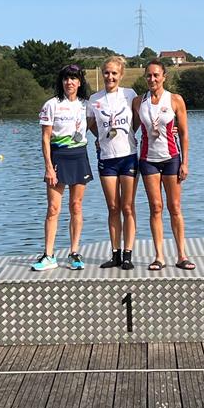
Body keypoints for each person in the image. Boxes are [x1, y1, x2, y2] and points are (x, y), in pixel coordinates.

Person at [133, 59, 194, 271]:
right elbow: (129, 129)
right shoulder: (138, 102)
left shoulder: (175, 100)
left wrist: (185, 162)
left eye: (156, 75)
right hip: (148, 160)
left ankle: (181, 255)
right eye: (148, 75)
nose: (152, 79)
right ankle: (159, 256)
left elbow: (184, 133)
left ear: (164, 77)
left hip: (172, 158)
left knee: (174, 207)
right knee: (155, 208)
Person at [33, 64, 93, 271]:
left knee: (76, 206)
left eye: (74, 78)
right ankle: (48, 255)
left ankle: (74, 253)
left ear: (79, 82)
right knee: (53, 209)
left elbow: (98, 127)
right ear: (62, 82)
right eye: (66, 78)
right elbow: (45, 137)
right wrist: (48, 167)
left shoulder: (87, 105)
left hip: (80, 157)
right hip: (58, 158)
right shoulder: (51, 104)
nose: (69, 82)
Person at [87, 56, 138, 270]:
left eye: (114, 73)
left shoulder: (130, 95)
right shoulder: (94, 99)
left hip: (128, 156)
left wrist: (131, 134)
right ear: (102, 74)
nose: (110, 77)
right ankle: (115, 254)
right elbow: (90, 124)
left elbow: (139, 118)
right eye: (106, 73)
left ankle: (128, 254)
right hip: (107, 159)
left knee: (127, 207)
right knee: (113, 207)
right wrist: (99, 138)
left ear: (121, 75)